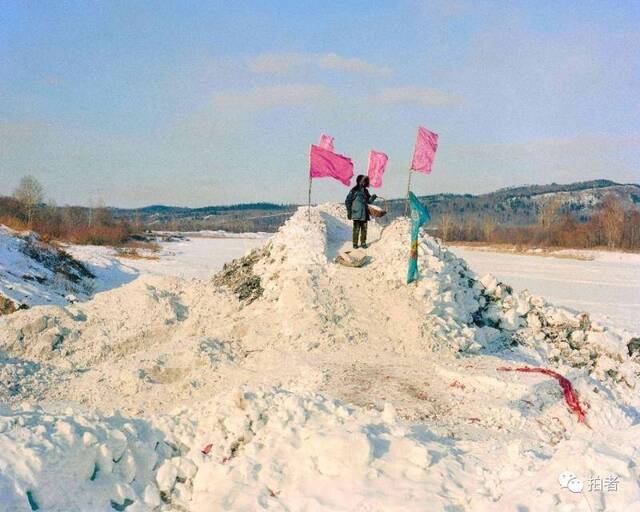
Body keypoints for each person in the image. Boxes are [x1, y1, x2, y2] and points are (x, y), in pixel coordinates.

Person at [345, 175, 377, 249]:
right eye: (364, 181)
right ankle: (355, 243)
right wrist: (349, 212)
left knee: (364, 229)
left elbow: (369, 201)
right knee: (356, 229)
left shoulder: (366, 191)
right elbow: (348, 201)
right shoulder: (354, 190)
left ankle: (363, 242)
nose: (365, 182)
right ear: (360, 181)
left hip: (364, 213)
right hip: (356, 213)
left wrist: (372, 197)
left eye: (366, 181)